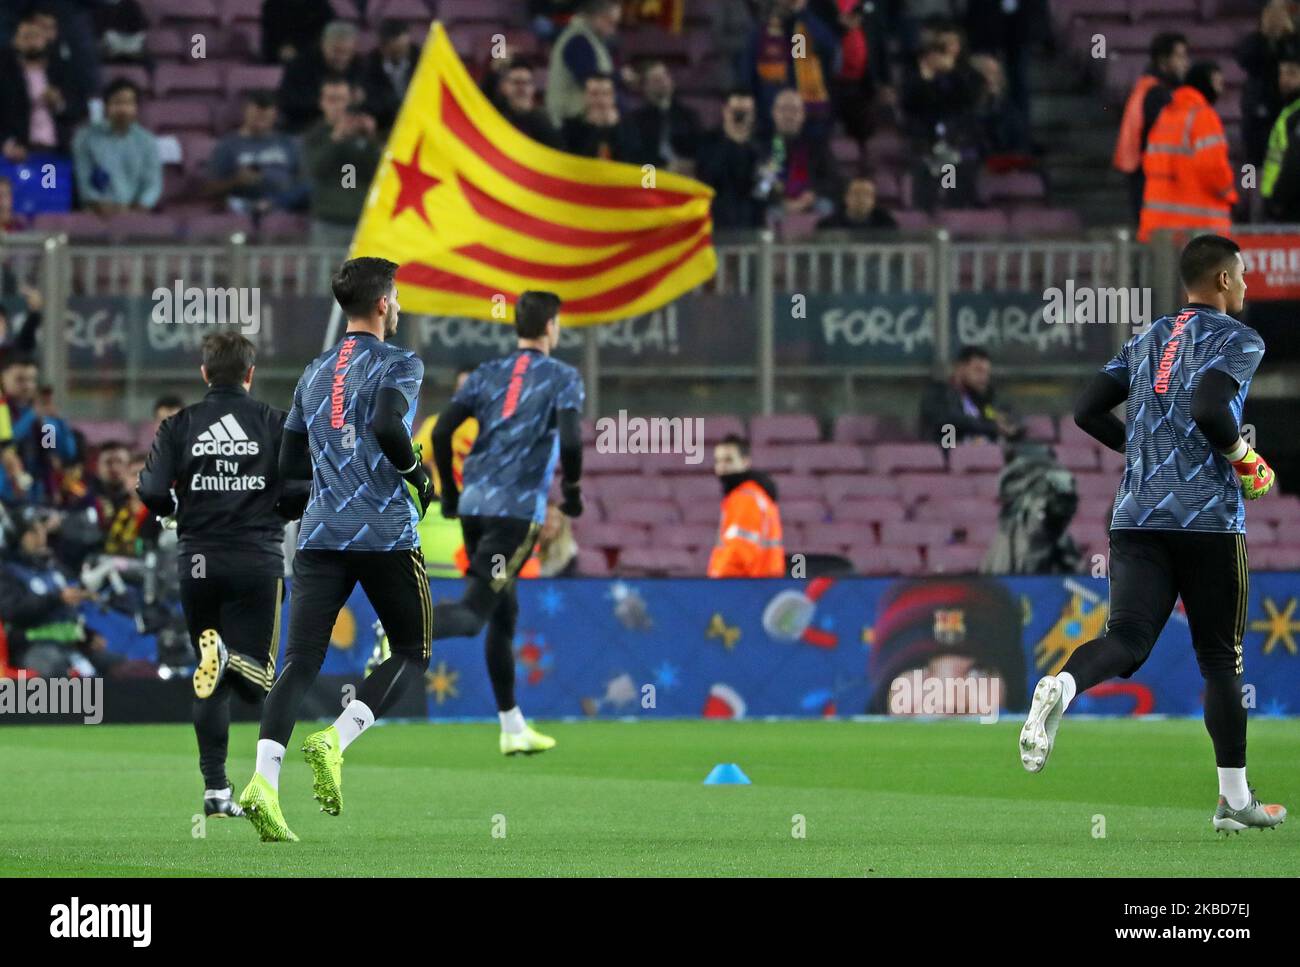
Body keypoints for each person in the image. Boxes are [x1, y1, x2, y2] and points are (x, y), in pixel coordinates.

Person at [1025, 234, 1286, 834]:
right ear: (1222, 280)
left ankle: (1063, 685)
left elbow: (1087, 409)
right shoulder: (1240, 338)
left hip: (1135, 517)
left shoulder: (1146, 337)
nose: (1246, 286)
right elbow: (1211, 408)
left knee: (1128, 637)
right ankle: (1233, 800)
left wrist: (1142, 454)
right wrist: (1246, 459)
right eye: (1242, 275)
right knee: (1221, 660)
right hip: (1207, 523)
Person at [237, 257, 436, 842]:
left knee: (299, 660)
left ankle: (262, 784)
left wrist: (316, 497)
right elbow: (386, 423)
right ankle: (336, 738)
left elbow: (290, 470)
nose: (397, 306)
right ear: (381, 303)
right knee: (412, 649)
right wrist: (417, 474)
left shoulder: (314, 372)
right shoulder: (400, 362)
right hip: (385, 533)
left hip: (322, 534)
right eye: (395, 296)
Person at [136, 333, 302, 821]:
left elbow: (148, 490)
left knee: (207, 680)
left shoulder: (179, 424)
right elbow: (299, 490)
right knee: (261, 675)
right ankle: (227, 659)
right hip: (256, 560)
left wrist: (172, 512)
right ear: (250, 375)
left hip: (197, 562)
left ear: (204, 373)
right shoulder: (275, 423)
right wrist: (275, 506)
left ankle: (215, 789)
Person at [430, 291, 585, 756]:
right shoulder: (563, 377)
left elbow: (441, 431)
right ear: (552, 326)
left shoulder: (486, 374)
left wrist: (453, 497)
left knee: (504, 612)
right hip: (514, 513)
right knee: (477, 612)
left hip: (476, 506)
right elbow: (573, 439)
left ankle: (512, 726)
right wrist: (572, 493)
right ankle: (401, 624)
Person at [1138, 61, 1236, 243]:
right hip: (1197, 229)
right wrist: (1229, 194)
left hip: (1158, 228)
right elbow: (1213, 167)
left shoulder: (1165, 116)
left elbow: (1149, 162)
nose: (1220, 90)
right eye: (1217, 83)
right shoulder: (1203, 116)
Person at [1112, 32, 1189, 222]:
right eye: (1180, 57)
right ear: (1164, 60)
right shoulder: (1157, 94)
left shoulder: (1145, 87)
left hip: (1143, 174)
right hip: (1152, 180)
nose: (1185, 63)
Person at [302, 77, 380, 248]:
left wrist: (371, 140)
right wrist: (336, 139)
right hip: (328, 221)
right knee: (325, 274)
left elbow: (379, 174)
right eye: (331, 99)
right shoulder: (314, 135)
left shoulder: (362, 134)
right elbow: (314, 170)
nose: (337, 106)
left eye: (342, 100)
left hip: (362, 222)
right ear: (322, 103)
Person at [0, 8, 86, 161]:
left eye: (36, 37)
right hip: (16, 153)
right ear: (15, 41)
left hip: (55, 153)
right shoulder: (5, 74)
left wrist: (59, 103)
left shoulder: (62, 71)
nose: (32, 43)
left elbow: (78, 108)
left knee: (51, 184)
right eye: (26, 37)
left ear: (45, 39)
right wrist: (7, 142)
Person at [205, 91, 305, 216]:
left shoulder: (287, 143)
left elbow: (303, 178)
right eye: (257, 116)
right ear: (245, 112)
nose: (261, 121)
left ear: (275, 115)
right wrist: (236, 180)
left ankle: (271, 203)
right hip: (248, 197)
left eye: (265, 117)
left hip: (286, 200)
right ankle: (263, 205)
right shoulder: (228, 145)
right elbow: (209, 189)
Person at [71, 78, 161, 215]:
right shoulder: (85, 138)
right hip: (95, 213)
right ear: (106, 107)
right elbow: (83, 179)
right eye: (117, 103)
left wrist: (137, 209)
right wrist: (99, 204)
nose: (123, 109)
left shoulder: (147, 141)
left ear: (136, 108)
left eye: (128, 103)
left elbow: (153, 184)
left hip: (135, 215)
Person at [707, 434, 784, 578]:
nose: (721, 466)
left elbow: (739, 551)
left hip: (742, 587)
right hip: (762, 584)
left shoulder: (745, 498)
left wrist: (716, 583)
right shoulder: (758, 494)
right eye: (718, 461)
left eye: (728, 460)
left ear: (745, 462)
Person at [919, 345, 1022, 445]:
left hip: (984, 456)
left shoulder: (983, 398)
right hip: (946, 455)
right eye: (978, 371)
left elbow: (1002, 413)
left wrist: (1007, 423)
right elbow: (953, 419)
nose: (984, 378)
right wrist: (992, 426)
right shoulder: (939, 394)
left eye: (987, 373)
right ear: (960, 368)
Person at [695, 89, 766, 231]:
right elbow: (707, 179)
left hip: (752, 222)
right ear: (725, 111)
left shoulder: (761, 145)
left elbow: (763, 190)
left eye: (745, 113)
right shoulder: (708, 141)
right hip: (717, 219)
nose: (740, 117)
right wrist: (731, 141)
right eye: (736, 112)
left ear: (753, 115)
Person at [276, 20, 363, 133]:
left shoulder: (360, 66)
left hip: (348, 129)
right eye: (336, 51)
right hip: (304, 127)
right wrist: (326, 102)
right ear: (323, 44)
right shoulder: (300, 65)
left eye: (347, 52)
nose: (341, 57)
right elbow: (287, 101)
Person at [545, 0, 622, 128]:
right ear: (597, 17)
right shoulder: (578, 41)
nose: (613, 29)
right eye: (611, 22)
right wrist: (620, 77)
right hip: (571, 122)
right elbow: (592, 81)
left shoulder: (590, 40)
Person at [629, 59, 701, 171]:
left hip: (684, 175)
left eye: (665, 77)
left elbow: (700, 150)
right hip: (651, 175)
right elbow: (636, 156)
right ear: (645, 86)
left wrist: (689, 164)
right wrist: (663, 168)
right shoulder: (636, 120)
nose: (663, 82)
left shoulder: (688, 115)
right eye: (656, 80)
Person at [560, 73, 641, 162]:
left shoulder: (629, 126)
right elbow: (572, 160)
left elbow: (632, 161)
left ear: (613, 97)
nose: (600, 100)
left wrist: (615, 127)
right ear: (585, 96)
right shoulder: (571, 127)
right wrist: (593, 127)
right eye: (594, 94)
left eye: (606, 94)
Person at [1260, 42, 1300, 221]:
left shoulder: (1295, 114)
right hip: (1275, 204)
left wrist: (1278, 200)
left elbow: (1294, 161)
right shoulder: (1286, 111)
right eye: (1281, 73)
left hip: (1288, 207)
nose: (1284, 79)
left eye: (1292, 73)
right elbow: (1252, 161)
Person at [359, 18, 415, 133]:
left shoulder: (422, 60)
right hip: (384, 124)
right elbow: (371, 100)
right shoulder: (369, 66)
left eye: (404, 49)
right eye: (396, 51)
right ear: (383, 48)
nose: (402, 54)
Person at [490, 58, 561, 148]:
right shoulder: (496, 116)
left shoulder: (543, 121)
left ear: (533, 88)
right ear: (504, 87)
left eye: (526, 83)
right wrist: (493, 73)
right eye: (516, 82)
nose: (521, 88)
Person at [816, 174, 898, 233]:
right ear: (846, 198)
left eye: (867, 194)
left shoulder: (887, 224)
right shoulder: (827, 226)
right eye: (856, 193)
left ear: (873, 200)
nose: (861, 199)